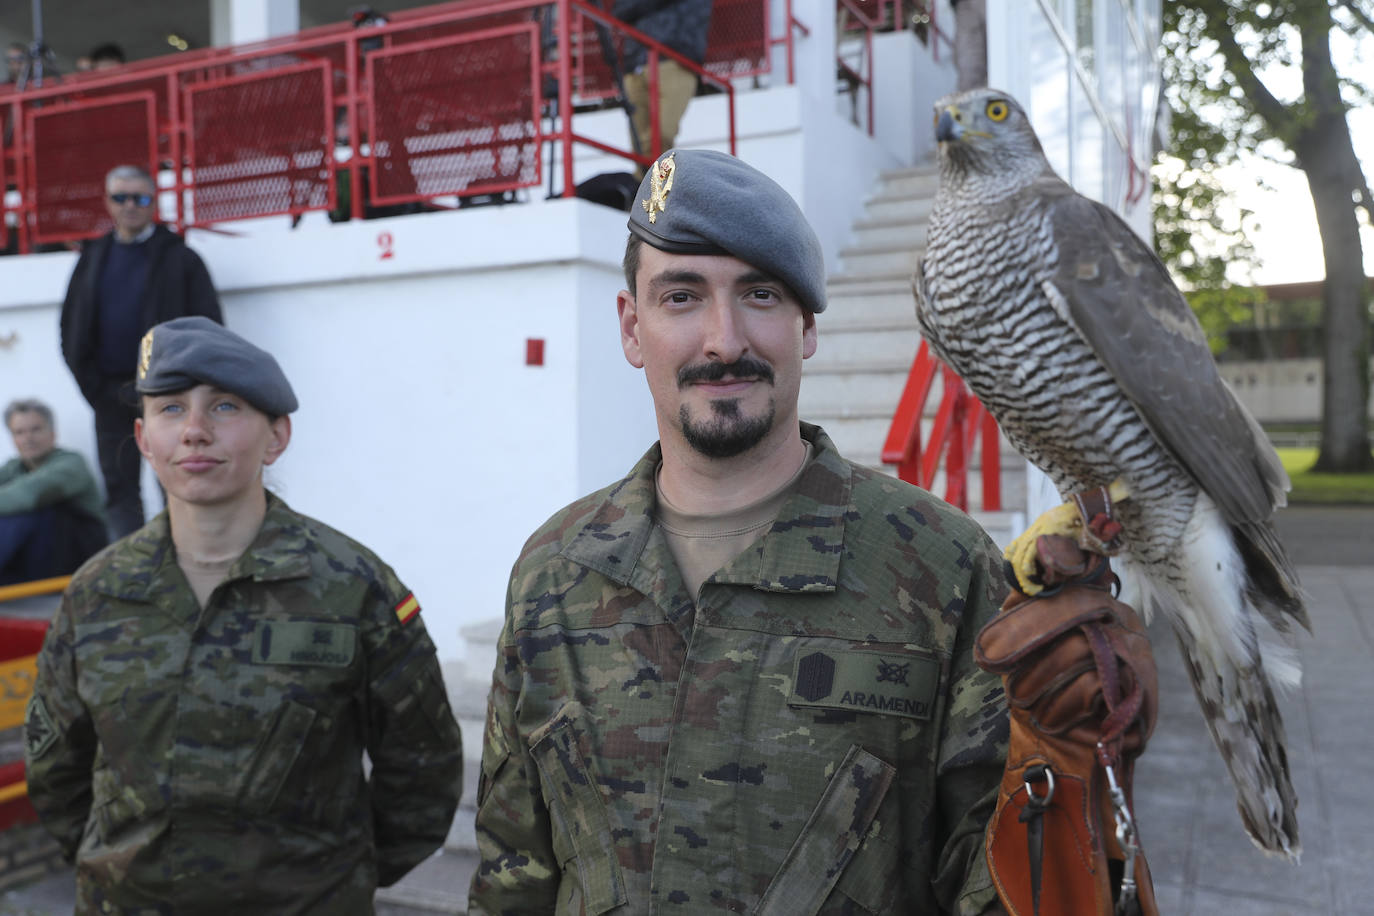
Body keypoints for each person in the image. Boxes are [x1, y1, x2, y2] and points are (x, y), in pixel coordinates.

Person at [468, 149, 1011, 912]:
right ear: (632, 328)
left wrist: (1083, 759)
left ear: (806, 325)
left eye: (758, 294)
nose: (724, 340)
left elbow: (1007, 878)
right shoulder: (555, 574)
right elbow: (511, 874)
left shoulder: (942, 569)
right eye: (682, 297)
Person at [25, 317, 464, 914]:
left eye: (225, 407)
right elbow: (57, 773)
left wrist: (329, 877)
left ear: (276, 435)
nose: (195, 432)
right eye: (171, 409)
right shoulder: (96, 593)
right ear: (144, 437)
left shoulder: (354, 588)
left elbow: (423, 774)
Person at [60, 164, 222, 539]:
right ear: (108, 202)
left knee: (181, 484)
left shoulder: (181, 259)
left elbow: (209, 329)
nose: (130, 205)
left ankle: (185, 566)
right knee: (120, 492)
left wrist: (184, 390)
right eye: (120, 197)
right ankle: (134, 578)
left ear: (154, 203)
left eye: (140, 197)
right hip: (109, 396)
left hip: (169, 395)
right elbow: (71, 327)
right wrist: (94, 389)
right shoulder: (92, 259)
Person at [0, 399, 107, 584]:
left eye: (36, 429)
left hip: (78, 561)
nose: (28, 438)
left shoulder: (72, 464)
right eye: (20, 432)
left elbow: (30, 494)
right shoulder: (13, 468)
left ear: (52, 433)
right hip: (28, 564)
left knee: (31, 512)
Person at [613, 0, 711, 172]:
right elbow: (620, 11)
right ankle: (647, 190)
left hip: (676, 61)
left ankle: (658, 190)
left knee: (661, 134)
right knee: (638, 142)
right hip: (636, 62)